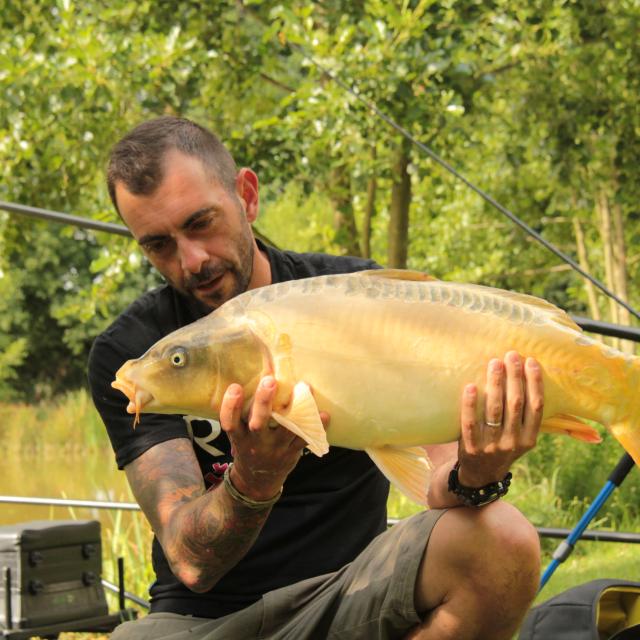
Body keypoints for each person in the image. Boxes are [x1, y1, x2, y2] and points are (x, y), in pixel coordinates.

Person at [88, 116, 543, 640]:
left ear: (247, 197)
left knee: (502, 539)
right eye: (158, 245)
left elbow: (439, 480)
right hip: (201, 623)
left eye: (200, 223)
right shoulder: (136, 353)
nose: (192, 260)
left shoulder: (357, 299)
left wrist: (478, 473)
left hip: (348, 594)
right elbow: (193, 562)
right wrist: (253, 478)